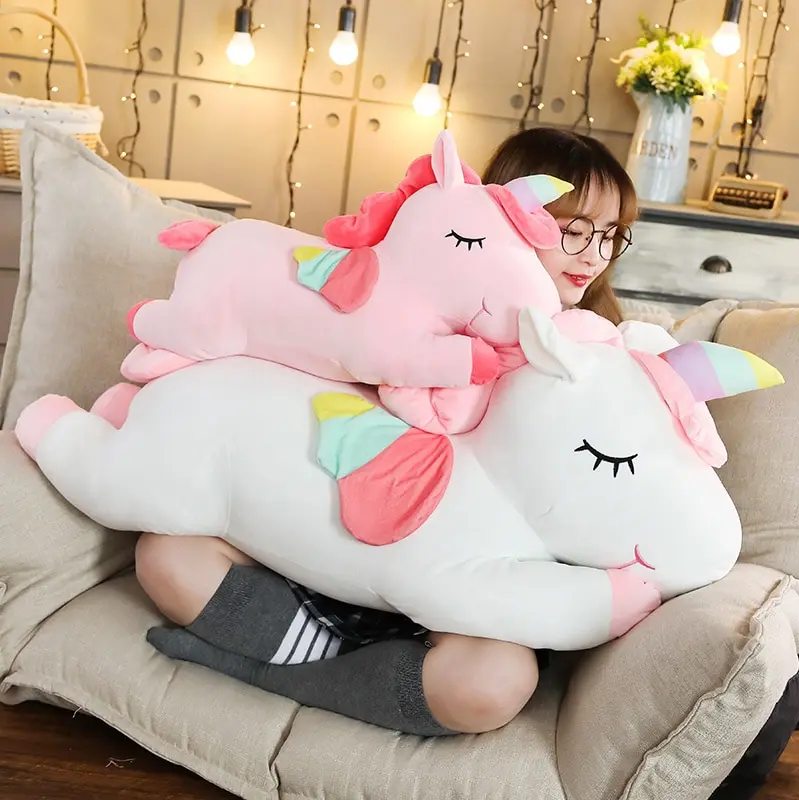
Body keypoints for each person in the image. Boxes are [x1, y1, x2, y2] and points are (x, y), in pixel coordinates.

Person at [136, 126, 638, 738]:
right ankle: (325, 655)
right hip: (327, 542)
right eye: (573, 230)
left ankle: (279, 669)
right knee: (166, 556)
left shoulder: (598, 354)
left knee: (491, 685)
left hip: (456, 587)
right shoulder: (401, 296)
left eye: (610, 234)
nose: (594, 255)